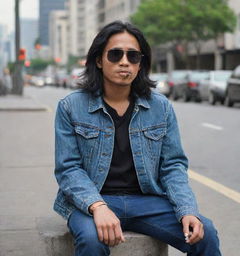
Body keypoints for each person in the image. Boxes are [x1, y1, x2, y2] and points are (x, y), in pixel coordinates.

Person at [54, 21, 221, 256]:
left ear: (140, 63)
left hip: (147, 202)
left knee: (206, 234)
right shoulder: (71, 107)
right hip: (94, 200)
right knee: (92, 240)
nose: (124, 62)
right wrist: (98, 206)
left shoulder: (159, 106)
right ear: (99, 61)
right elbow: (68, 168)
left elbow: (173, 166)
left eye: (133, 56)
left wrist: (187, 211)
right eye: (115, 54)